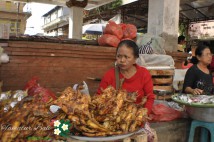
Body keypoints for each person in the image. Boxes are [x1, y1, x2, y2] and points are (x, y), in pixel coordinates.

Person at [96, 40, 155, 114]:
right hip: (115, 116)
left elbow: (150, 98)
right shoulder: (110, 75)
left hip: (137, 116)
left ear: (135, 59)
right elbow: (99, 97)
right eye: (119, 56)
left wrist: (142, 115)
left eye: (126, 57)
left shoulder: (144, 74)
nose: (122, 60)